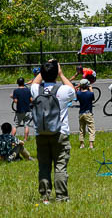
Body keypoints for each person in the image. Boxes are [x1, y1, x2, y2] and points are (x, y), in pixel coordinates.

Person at [30, 59, 76, 204]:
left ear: (42, 74)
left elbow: (35, 82)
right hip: (59, 132)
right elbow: (72, 89)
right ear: (56, 74)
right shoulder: (63, 90)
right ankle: (62, 196)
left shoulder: (37, 90)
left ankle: (45, 196)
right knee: (60, 165)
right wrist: (61, 73)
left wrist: (44, 68)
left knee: (44, 165)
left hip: (41, 133)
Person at [12, 77, 33, 142]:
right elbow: (31, 99)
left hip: (20, 110)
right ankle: (25, 139)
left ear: (17, 83)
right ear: (23, 83)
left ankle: (12, 139)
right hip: (27, 110)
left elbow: (15, 101)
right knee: (26, 125)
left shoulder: (16, 91)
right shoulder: (28, 90)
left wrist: (13, 97)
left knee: (15, 125)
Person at [76, 79, 96, 148]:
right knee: (91, 129)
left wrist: (78, 87)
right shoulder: (90, 94)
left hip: (81, 113)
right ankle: (91, 145)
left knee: (81, 129)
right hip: (88, 113)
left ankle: (82, 144)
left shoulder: (78, 93)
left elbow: (77, 93)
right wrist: (91, 89)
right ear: (87, 85)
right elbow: (93, 98)